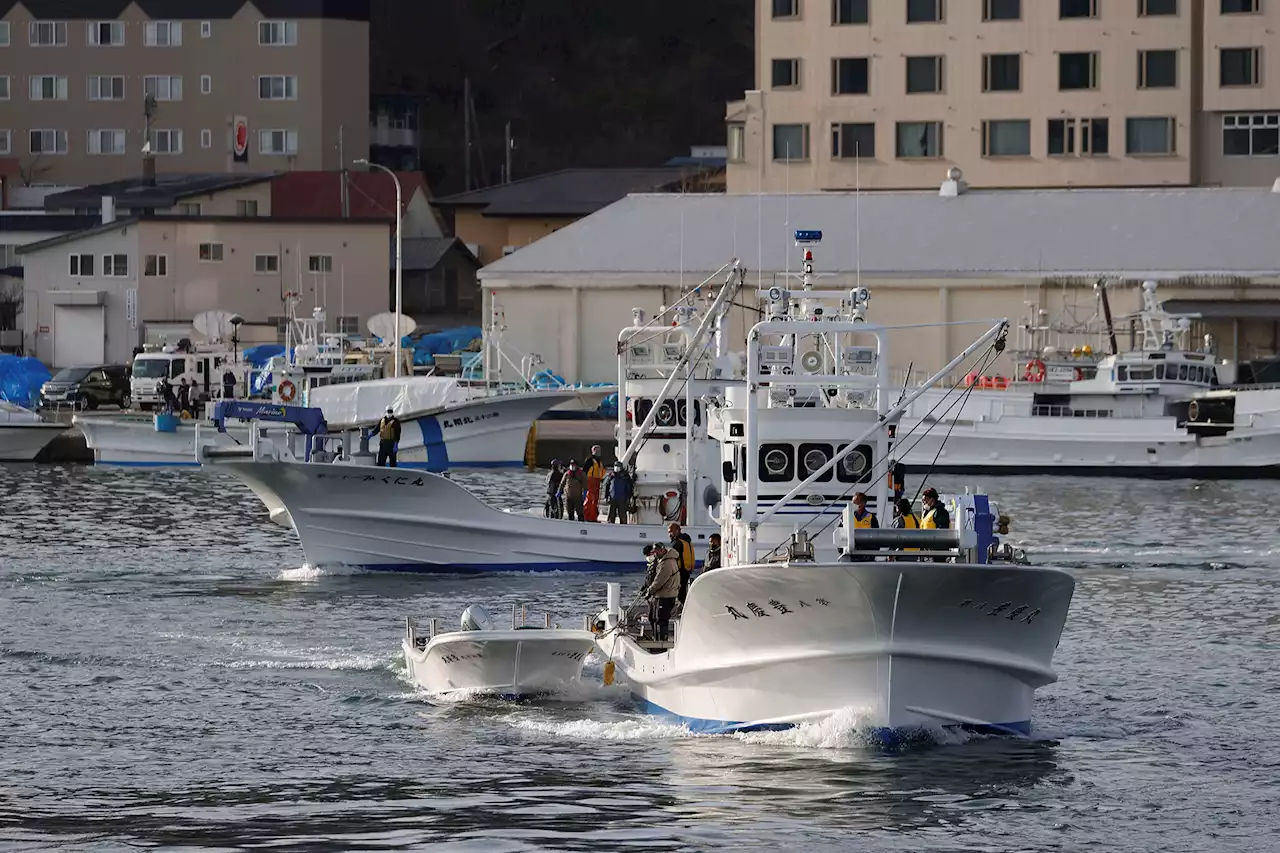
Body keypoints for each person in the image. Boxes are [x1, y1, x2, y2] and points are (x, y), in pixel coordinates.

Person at [644, 542, 681, 642]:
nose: (655, 554)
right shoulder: (666, 561)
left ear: (662, 550)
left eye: (656, 552)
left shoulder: (666, 563)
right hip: (665, 595)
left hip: (665, 596)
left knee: (661, 620)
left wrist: (650, 591)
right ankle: (658, 640)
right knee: (656, 618)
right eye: (654, 552)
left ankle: (661, 642)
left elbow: (659, 581)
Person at [920, 487, 952, 563]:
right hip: (926, 551)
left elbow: (942, 532)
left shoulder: (940, 512)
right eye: (923, 500)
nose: (923, 502)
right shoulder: (927, 512)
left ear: (932, 499)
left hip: (936, 552)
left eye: (925, 499)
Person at [846, 491, 879, 562]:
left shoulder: (871, 517)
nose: (853, 504)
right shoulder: (846, 517)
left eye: (855, 502)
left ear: (863, 503)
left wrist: (872, 554)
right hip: (851, 554)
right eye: (853, 502)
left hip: (867, 555)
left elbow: (877, 536)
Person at [668, 522, 695, 605]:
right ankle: (685, 606)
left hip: (679, 570)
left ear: (677, 531)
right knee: (683, 591)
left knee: (680, 593)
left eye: (670, 532)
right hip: (687, 570)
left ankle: (685, 608)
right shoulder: (687, 541)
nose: (669, 534)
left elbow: (672, 556)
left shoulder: (677, 542)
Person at [583, 445, 607, 522]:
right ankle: (587, 517)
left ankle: (593, 517)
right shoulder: (589, 460)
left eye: (599, 450)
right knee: (589, 500)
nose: (598, 452)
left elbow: (603, 471)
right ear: (593, 451)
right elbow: (584, 472)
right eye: (596, 450)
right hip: (590, 482)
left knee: (595, 501)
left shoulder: (600, 462)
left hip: (597, 482)